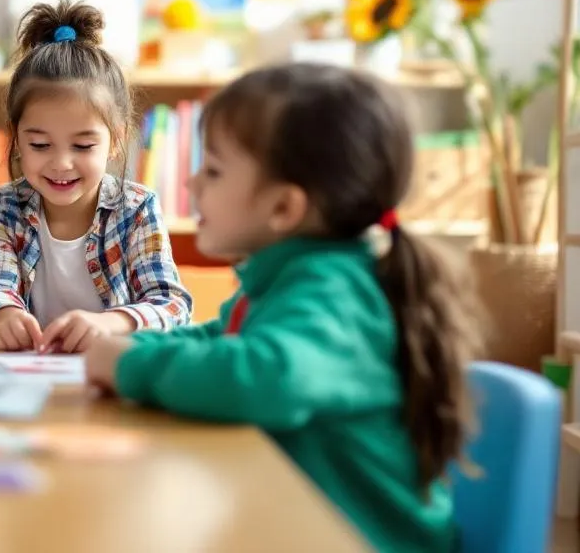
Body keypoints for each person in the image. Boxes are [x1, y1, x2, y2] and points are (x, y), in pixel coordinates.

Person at [85, 63, 485, 552]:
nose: (191, 185)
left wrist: (131, 364)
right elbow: (221, 336)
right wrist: (129, 344)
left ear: (284, 208)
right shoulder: (288, 277)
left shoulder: (335, 291)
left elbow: (267, 376)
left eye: (213, 170)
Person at [0, 0, 191, 353]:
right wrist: (4, 315)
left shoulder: (136, 208)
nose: (61, 163)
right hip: (32, 369)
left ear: (116, 140)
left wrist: (112, 323)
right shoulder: (5, 206)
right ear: (17, 138)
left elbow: (172, 303)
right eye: (40, 144)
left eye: (82, 145)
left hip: (109, 371)